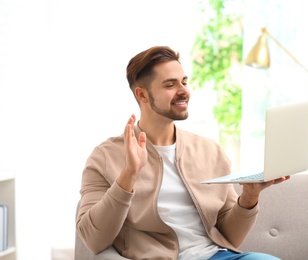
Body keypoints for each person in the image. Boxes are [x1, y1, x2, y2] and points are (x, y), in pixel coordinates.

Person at [76, 46, 289, 260]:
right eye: (170, 84)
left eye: (184, 82)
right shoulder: (105, 157)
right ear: (142, 94)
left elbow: (230, 238)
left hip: (215, 256)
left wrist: (249, 198)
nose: (184, 91)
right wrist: (129, 174)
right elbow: (93, 239)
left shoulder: (209, 151)